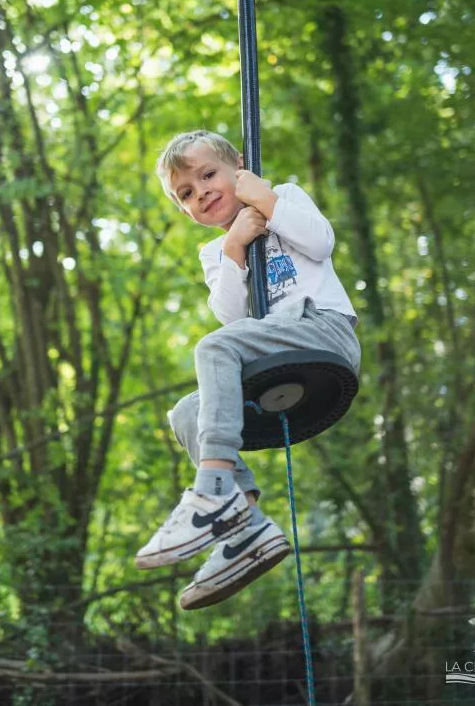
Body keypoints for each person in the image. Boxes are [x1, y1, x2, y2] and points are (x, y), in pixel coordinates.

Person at [135, 130, 360, 609]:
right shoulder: (212, 254)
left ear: (237, 164)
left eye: (209, 175)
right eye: (187, 194)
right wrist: (235, 248)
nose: (203, 192)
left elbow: (320, 244)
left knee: (212, 349)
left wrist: (267, 202)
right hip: (275, 357)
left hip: (322, 333)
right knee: (185, 414)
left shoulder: (285, 197)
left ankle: (211, 489)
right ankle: (244, 528)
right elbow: (235, 321)